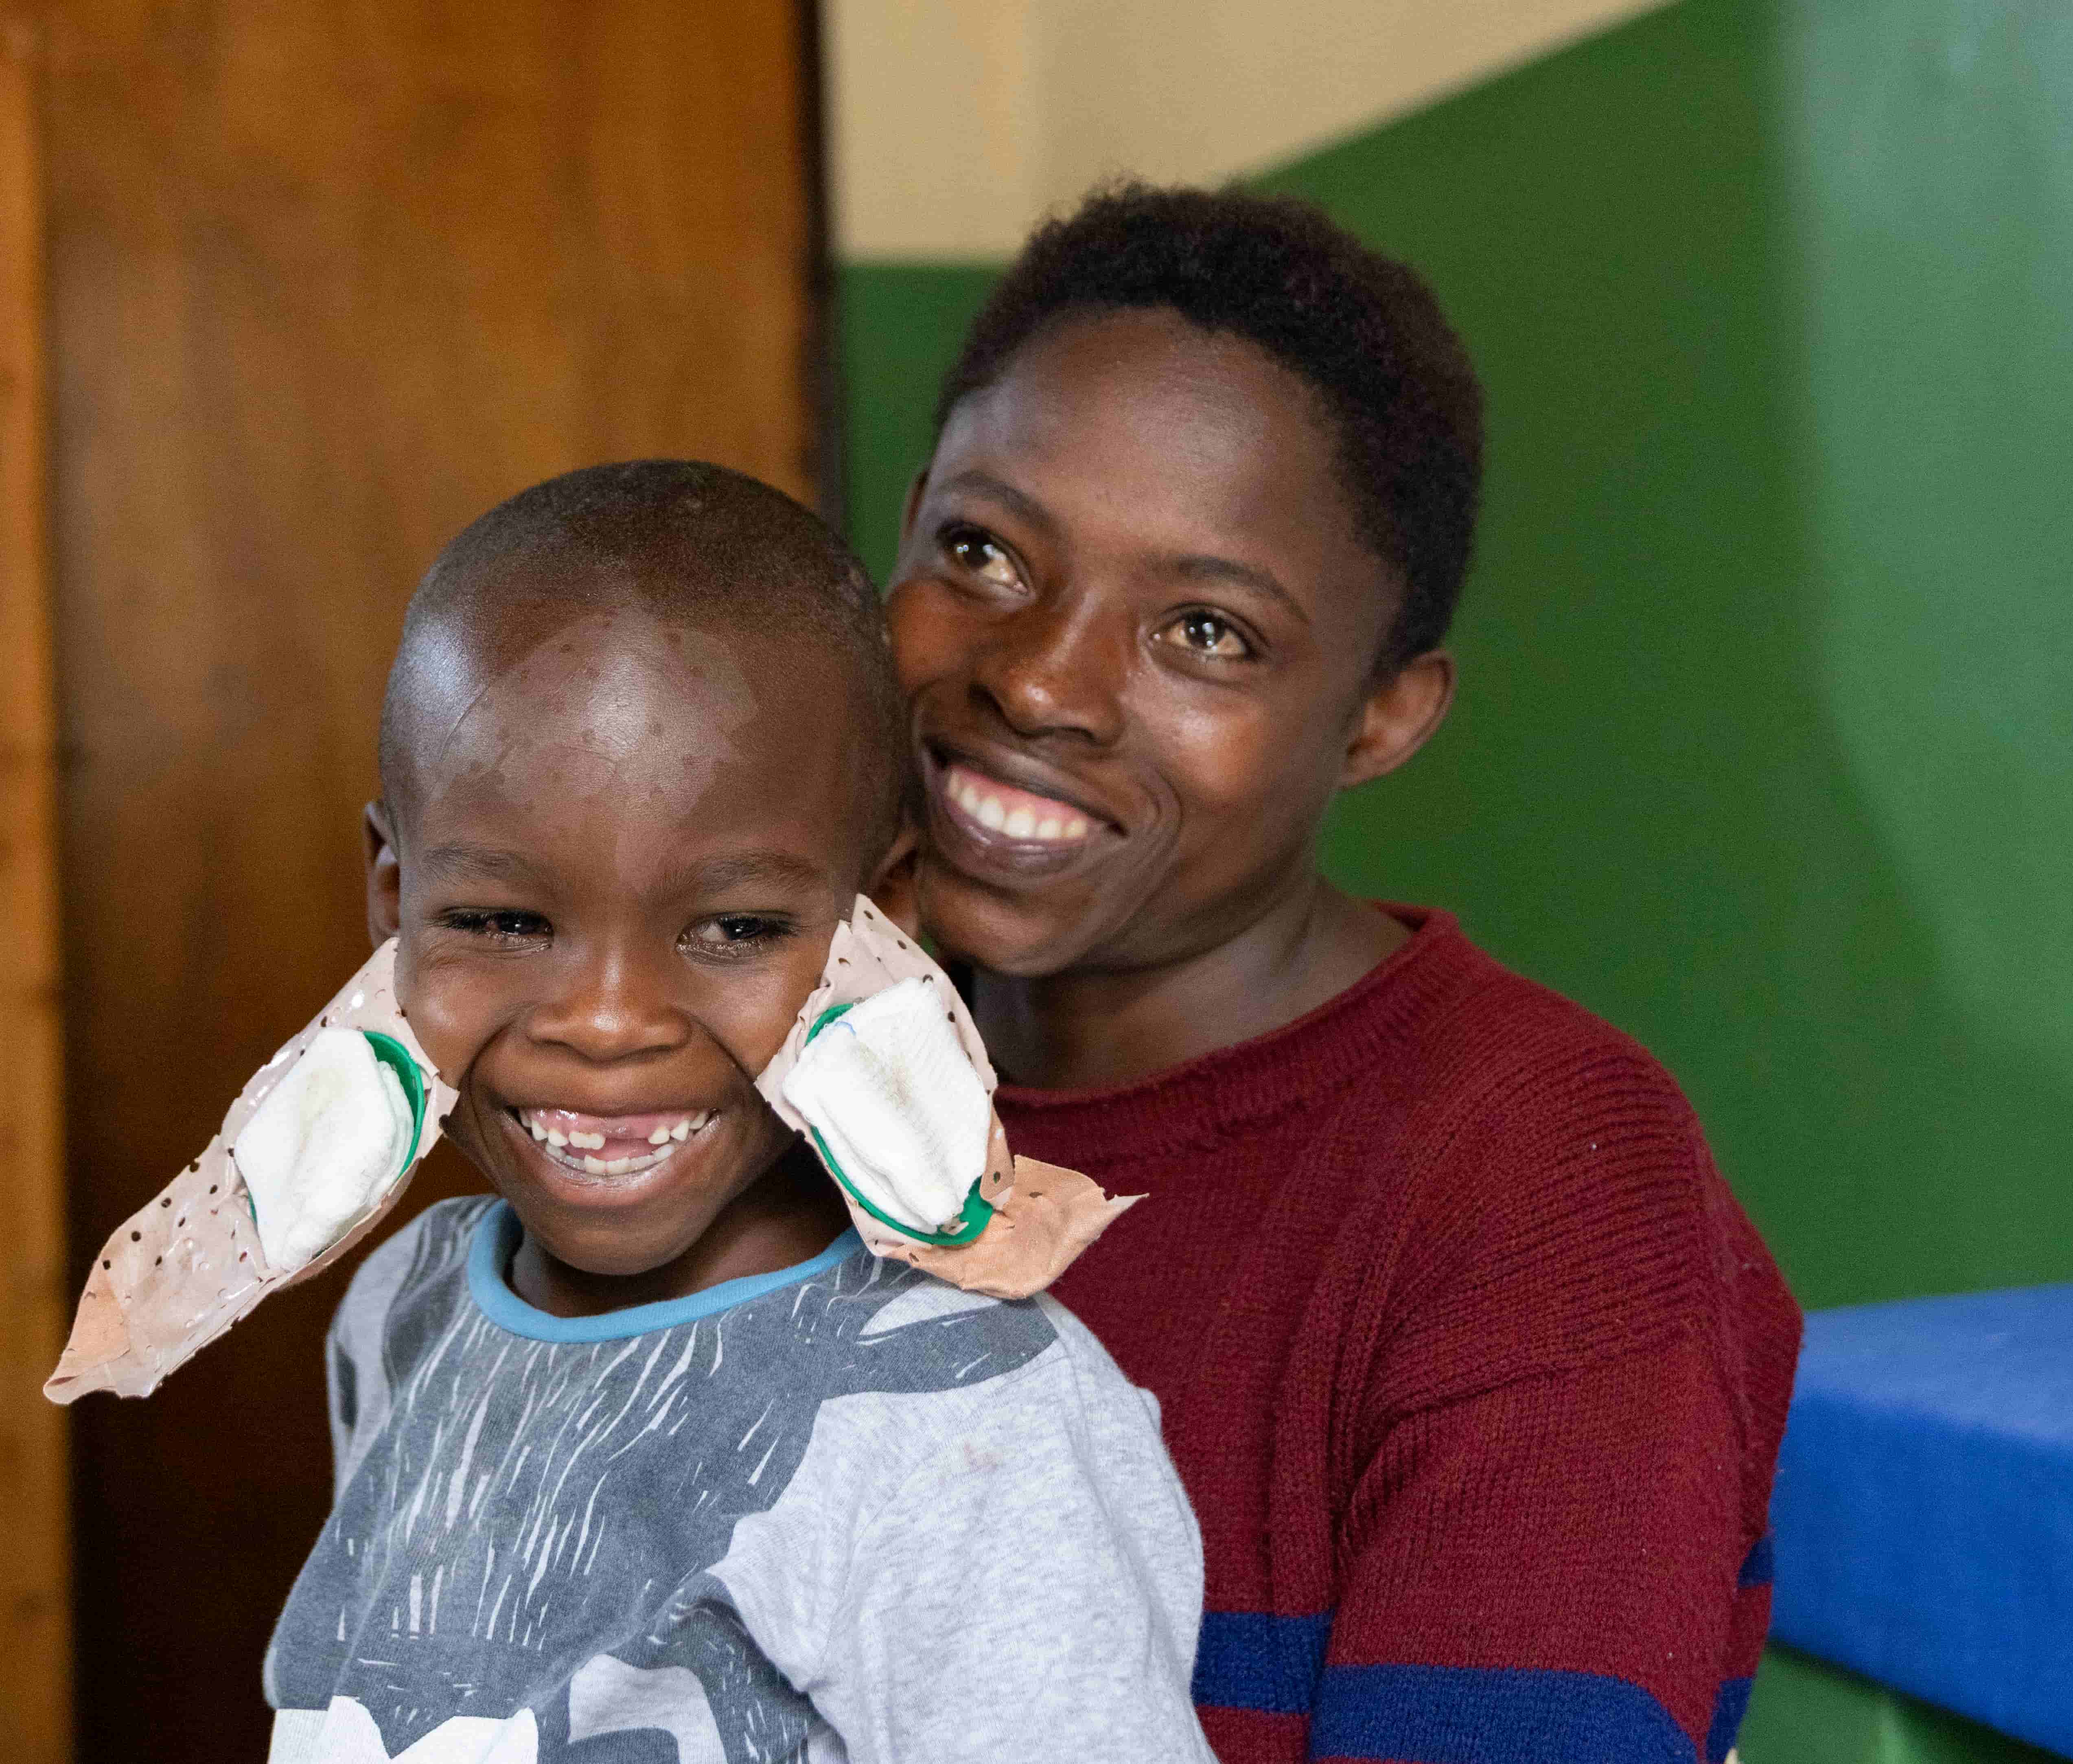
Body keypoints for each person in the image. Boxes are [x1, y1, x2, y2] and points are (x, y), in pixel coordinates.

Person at [885, 184, 1802, 1762]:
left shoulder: (1539, 1186)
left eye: (1205, 633)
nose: (1036, 676)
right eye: (981, 549)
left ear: (1381, 717)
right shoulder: (796, 1061)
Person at [263, 461, 1214, 1763]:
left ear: (879, 925)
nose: (606, 1020)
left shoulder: (968, 1421)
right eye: (502, 920)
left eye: (736, 928)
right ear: (393, 900)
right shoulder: (405, 1309)